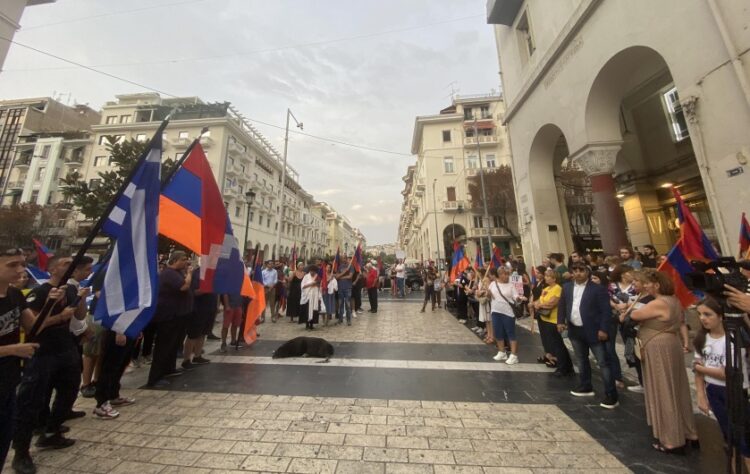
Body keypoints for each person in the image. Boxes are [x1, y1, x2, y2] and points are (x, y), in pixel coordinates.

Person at [13, 255, 89, 473]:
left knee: (69, 391)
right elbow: (33, 327)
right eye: (66, 264)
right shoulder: (40, 292)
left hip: (66, 348)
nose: (71, 266)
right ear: (53, 269)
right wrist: (57, 315)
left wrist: (81, 299)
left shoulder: (70, 290)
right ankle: (21, 451)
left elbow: (79, 315)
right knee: (32, 401)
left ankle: (52, 431)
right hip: (43, 352)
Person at [630, 269, 698, 453]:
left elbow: (634, 316)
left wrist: (632, 305)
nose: (644, 286)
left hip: (659, 347)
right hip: (671, 343)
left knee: (663, 389)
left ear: (657, 285)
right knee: (678, 388)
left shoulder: (658, 302)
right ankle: (689, 432)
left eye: (647, 283)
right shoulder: (674, 300)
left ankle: (671, 439)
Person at [693, 296, 748, 465]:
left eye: (708, 314)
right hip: (713, 390)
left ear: (721, 315)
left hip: (734, 391)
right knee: (729, 437)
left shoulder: (732, 339)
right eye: (700, 314)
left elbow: (728, 372)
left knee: (743, 440)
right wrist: (701, 394)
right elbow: (697, 371)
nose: (703, 318)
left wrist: (701, 368)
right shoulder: (701, 339)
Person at [557, 262, 618, 409]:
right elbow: (562, 305)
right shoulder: (567, 287)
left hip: (593, 330)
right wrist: (560, 321)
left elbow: (605, 311)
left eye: (581, 270)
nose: (578, 273)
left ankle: (611, 394)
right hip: (575, 329)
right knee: (581, 359)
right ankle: (585, 385)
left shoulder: (598, 289)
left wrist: (603, 329)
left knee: (603, 362)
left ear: (587, 272)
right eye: (575, 271)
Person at [0, 248, 39, 472]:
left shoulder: (15, 295)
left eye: (22, 264)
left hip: (9, 380)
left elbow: (33, 327)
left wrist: (54, 303)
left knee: (4, 439)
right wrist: (12, 349)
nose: (21, 270)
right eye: (12, 265)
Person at [146, 251, 193, 387]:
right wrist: (189, 274)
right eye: (183, 259)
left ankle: (169, 368)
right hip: (168, 316)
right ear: (175, 260)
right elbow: (184, 287)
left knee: (173, 345)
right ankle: (155, 378)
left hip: (178, 315)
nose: (186, 262)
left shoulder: (177, 273)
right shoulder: (169, 273)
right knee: (164, 346)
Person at [533, 270, 573, 376]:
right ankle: (565, 365)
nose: (546, 278)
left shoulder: (558, 288)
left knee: (558, 345)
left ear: (554, 278)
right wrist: (538, 304)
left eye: (548, 276)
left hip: (553, 320)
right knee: (552, 343)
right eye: (546, 276)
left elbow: (552, 303)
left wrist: (540, 305)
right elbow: (539, 301)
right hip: (544, 318)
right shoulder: (545, 289)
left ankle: (563, 366)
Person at [488, 267, 524, 365]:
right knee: (498, 333)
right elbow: (489, 296)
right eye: (505, 274)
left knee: (510, 333)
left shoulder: (511, 286)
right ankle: (502, 351)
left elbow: (516, 296)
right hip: (495, 311)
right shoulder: (492, 284)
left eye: (508, 274)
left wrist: (519, 299)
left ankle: (514, 355)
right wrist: (483, 293)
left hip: (508, 313)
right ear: (499, 274)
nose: (507, 276)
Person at [183, 265, 215, 365]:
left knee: (203, 333)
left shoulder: (213, 273)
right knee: (193, 334)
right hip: (198, 309)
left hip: (209, 308)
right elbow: (194, 292)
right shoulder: (198, 273)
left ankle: (197, 356)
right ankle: (186, 359)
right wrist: (206, 288)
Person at [300, 265, 322, 330]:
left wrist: (317, 284)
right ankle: (307, 324)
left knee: (313, 311)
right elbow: (302, 286)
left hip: (314, 296)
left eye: (314, 271)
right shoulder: (306, 277)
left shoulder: (317, 277)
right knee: (307, 310)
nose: (312, 273)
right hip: (308, 296)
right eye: (311, 271)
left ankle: (312, 324)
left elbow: (320, 285)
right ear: (309, 271)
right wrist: (310, 284)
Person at [335, 255, 354, 325]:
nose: (343, 260)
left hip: (348, 288)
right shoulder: (340, 267)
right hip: (340, 288)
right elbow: (336, 277)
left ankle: (348, 320)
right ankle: (340, 319)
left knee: (348, 305)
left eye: (344, 258)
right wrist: (343, 273)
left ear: (346, 259)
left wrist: (341, 276)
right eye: (342, 258)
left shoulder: (350, 267)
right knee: (340, 305)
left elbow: (350, 276)